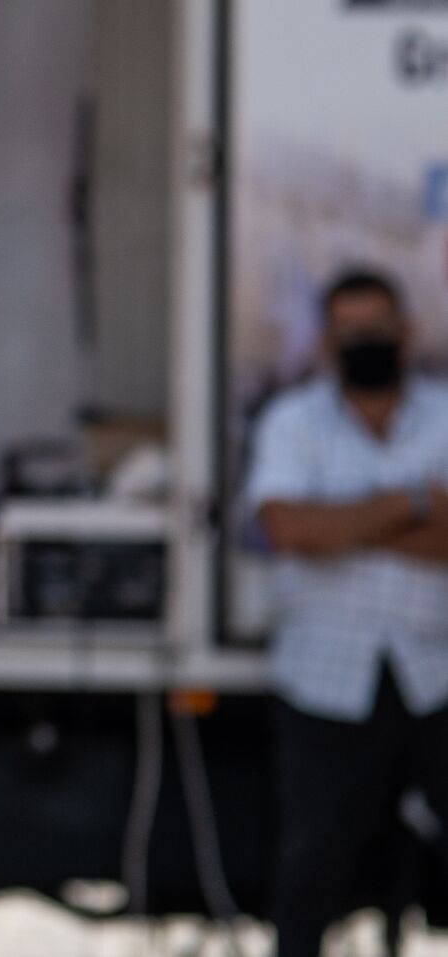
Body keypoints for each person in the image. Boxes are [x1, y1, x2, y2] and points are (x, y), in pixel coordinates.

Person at [246, 269, 448, 957]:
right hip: (324, 679)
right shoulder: (293, 420)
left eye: (380, 329)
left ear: (408, 332)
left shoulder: (443, 413)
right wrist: (409, 503)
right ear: (328, 341)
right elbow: (289, 528)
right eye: (352, 331)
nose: (368, 343)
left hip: (434, 673)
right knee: (311, 872)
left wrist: (348, 520)